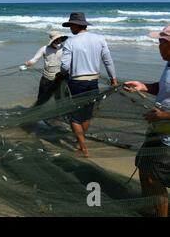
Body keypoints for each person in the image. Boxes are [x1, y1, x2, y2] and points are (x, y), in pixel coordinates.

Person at [124, 25, 170, 217]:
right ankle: (146, 206)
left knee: (155, 177)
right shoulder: (169, 64)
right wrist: (143, 86)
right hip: (158, 130)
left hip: (167, 137)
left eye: (161, 43)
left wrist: (165, 116)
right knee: (143, 166)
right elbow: (163, 88)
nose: (158, 47)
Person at [58, 12, 118, 158]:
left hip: (76, 83)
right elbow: (108, 60)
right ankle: (81, 142)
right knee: (86, 115)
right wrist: (113, 79)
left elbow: (65, 66)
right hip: (93, 82)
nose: (70, 28)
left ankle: (83, 148)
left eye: (71, 25)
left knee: (74, 117)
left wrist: (60, 75)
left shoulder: (71, 42)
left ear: (75, 25)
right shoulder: (99, 39)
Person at [24, 31, 68, 106]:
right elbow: (35, 59)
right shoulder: (44, 49)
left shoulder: (65, 48)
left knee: (59, 97)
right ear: (52, 40)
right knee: (42, 97)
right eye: (56, 39)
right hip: (47, 77)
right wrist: (28, 63)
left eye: (59, 38)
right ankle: (38, 111)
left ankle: (58, 114)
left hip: (60, 77)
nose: (58, 40)